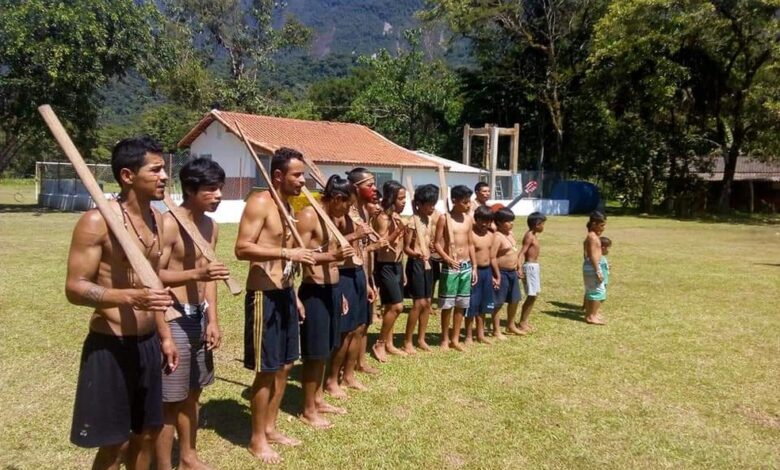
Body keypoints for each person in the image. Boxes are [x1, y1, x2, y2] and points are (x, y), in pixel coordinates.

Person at [66, 136, 178, 470]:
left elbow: (154, 286)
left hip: (148, 343)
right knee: (116, 442)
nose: (164, 177)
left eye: (164, 169)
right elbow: (75, 288)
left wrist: (166, 336)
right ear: (127, 176)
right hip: (111, 346)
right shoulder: (97, 221)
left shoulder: (157, 221)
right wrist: (129, 297)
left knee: (146, 433)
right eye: (155, 170)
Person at [235, 147, 317, 464]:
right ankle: (256, 439)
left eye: (304, 174)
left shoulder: (287, 204)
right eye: (297, 174)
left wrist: (294, 295)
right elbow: (241, 248)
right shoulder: (260, 202)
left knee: (284, 366)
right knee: (267, 369)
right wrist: (288, 254)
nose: (303, 180)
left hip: (284, 292)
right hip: (263, 296)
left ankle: (269, 427)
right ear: (279, 176)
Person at [156, 158, 229, 470]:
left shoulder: (210, 226)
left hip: (198, 316)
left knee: (193, 394)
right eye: (210, 190)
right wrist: (194, 275)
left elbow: (208, 275)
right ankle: (162, 465)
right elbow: (152, 275)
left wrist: (212, 319)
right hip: (173, 317)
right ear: (189, 189)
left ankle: (188, 457)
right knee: (169, 401)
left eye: (219, 189)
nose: (218, 195)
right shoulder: (168, 223)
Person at [295, 175, 355, 429]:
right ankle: (308, 409)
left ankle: (318, 399)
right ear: (338, 198)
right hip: (314, 291)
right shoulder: (309, 216)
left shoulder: (333, 218)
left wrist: (339, 291)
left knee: (326, 350)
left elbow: (334, 259)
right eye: (347, 204)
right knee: (314, 353)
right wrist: (333, 255)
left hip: (332, 288)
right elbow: (299, 256)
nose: (348, 210)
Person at [434, 185, 476, 352]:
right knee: (447, 305)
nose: (468, 205)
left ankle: (455, 338)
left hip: (466, 266)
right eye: (465, 202)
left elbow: (471, 244)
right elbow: (436, 243)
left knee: (461, 304)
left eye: (469, 201)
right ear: (454, 201)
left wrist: (474, 267)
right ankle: (444, 338)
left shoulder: (468, 219)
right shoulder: (445, 219)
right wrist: (447, 258)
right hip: (450, 267)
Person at [372, 180, 408, 362]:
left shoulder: (396, 217)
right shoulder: (383, 218)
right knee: (397, 306)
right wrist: (399, 230)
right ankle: (379, 343)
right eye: (401, 198)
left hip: (397, 266)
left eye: (405, 198)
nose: (404, 202)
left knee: (390, 307)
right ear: (392, 198)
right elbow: (382, 244)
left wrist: (403, 271)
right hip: (384, 265)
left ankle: (389, 343)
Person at [402, 184, 438, 353]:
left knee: (427, 303)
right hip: (416, 264)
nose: (432, 208)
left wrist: (429, 247)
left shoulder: (429, 220)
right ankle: (407, 341)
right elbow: (406, 248)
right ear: (419, 204)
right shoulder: (412, 222)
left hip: (428, 263)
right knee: (418, 303)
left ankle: (421, 339)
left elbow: (427, 240)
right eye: (429, 204)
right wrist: (417, 255)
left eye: (434, 204)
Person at [465, 205, 499, 345]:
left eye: (487, 221)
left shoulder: (491, 235)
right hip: (475, 272)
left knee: (484, 305)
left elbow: (492, 258)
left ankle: (480, 334)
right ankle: (468, 335)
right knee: (472, 304)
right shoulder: (471, 234)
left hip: (487, 272)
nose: (484, 224)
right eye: (481, 220)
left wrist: (495, 275)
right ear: (476, 219)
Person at [491, 208, 522, 339]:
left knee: (514, 299)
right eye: (508, 221)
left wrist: (519, 267)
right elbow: (492, 257)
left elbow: (515, 251)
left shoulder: (511, 234)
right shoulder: (497, 237)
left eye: (512, 221)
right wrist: (496, 275)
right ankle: (496, 330)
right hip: (502, 273)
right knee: (498, 302)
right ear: (499, 222)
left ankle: (511, 325)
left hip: (512, 272)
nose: (511, 224)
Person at [517, 211, 546, 334]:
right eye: (542, 224)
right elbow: (521, 253)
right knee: (531, 295)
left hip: (534, 266)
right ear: (536, 224)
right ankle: (522, 322)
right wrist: (519, 268)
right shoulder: (529, 236)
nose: (543, 227)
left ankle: (525, 321)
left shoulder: (534, 235)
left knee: (534, 295)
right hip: (529, 267)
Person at [583, 211, 608, 325]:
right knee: (598, 291)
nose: (603, 227)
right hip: (593, 266)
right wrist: (597, 270)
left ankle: (592, 314)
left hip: (591, 266)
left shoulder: (593, 236)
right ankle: (591, 316)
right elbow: (592, 255)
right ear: (593, 224)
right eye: (601, 225)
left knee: (592, 290)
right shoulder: (592, 237)